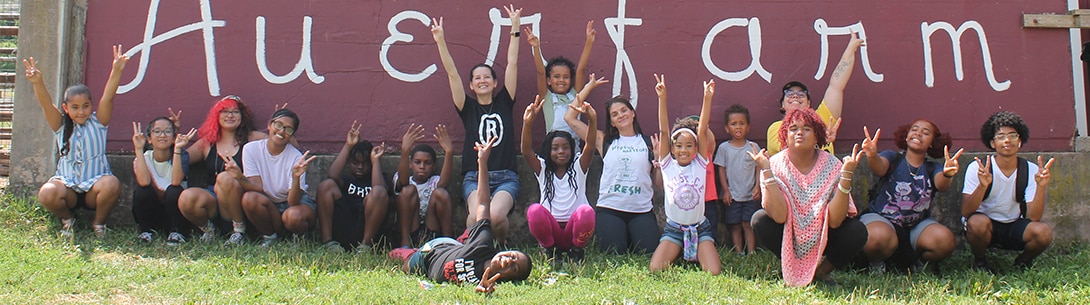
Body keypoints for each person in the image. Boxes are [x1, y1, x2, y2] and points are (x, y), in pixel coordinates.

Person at [388, 137, 532, 294]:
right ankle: (410, 252)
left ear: (509, 279)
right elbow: (483, 204)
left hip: (431, 272)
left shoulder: (486, 282)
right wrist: (482, 163)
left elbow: (477, 289)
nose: (508, 261)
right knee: (405, 266)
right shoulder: (482, 245)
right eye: (512, 256)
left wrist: (480, 292)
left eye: (514, 267)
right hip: (430, 254)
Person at [431, 6, 523, 244]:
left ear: (494, 82)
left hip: (505, 177)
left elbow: (512, 63)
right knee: (475, 217)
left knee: (494, 216)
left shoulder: (505, 101)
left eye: (487, 77)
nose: (482, 80)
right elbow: (452, 74)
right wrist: (440, 40)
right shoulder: (467, 107)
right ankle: (479, 252)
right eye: (477, 78)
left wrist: (514, 28)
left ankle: (498, 246)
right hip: (474, 176)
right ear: (471, 85)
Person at [749, 108, 868, 287]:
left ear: (816, 135)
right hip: (789, 233)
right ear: (785, 135)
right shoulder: (773, 164)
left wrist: (846, 176)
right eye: (793, 128)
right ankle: (792, 266)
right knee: (759, 220)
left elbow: (835, 221)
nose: (799, 133)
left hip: (825, 233)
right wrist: (766, 171)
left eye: (806, 128)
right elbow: (779, 216)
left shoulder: (832, 164)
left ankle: (821, 272)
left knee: (857, 231)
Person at [24, 45, 128, 238]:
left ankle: (98, 224)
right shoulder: (61, 125)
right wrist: (37, 83)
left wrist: (117, 70)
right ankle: (67, 219)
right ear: (66, 108)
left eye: (85, 106)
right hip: (67, 186)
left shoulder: (99, 123)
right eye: (75, 107)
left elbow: (109, 96)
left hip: (94, 186)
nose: (81, 112)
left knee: (112, 184)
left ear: (91, 106)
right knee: (46, 193)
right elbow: (46, 104)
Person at [564, 82, 659, 255]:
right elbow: (569, 118)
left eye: (624, 110)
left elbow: (658, 181)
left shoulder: (648, 143)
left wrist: (659, 161)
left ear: (633, 113)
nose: (620, 115)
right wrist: (588, 88)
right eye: (614, 115)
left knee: (649, 253)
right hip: (610, 210)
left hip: (641, 210)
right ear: (612, 122)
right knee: (614, 253)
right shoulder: (604, 141)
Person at [860, 120, 961, 273]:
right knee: (877, 237)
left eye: (926, 133)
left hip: (916, 226)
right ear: (906, 136)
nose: (918, 134)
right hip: (882, 219)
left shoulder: (932, 168)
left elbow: (942, 184)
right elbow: (879, 168)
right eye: (914, 129)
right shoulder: (893, 158)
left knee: (944, 241)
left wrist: (948, 174)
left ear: (932, 143)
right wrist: (872, 155)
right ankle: (876, 264)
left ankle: (919, 264)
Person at [962, 111, 1055, 273]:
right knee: (976, 223)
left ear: (1019, 141)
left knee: (1043, 232)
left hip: (1013, 225)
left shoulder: (1030, 170)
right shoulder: (978, 167)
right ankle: (980, 261)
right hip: (986, 225)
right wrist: (983, 186)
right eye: (1000, 136)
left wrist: (1041, 186)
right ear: (992, 143)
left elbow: (1033, 217)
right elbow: (966, 211)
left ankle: (1022, 262)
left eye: (1013, 135)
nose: (1007, 140)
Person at [522, 78, 602, 265]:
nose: (561, 152)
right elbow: (526, 151)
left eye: (565, 147)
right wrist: (527, 123)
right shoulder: (542, 169)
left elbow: (590, 145)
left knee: (587, 211)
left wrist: (592, 119)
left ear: (572, 150)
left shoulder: (578, 167)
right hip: (552, 232)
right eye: (555, 148)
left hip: (574, 231)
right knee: (534, 210)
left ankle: (576, 252)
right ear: (548, 151)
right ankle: (550, 252)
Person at [648, 75, 721, 275]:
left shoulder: (699, 162)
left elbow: (703, 128)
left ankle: (694, 250)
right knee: (656, 269)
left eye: (689, 146)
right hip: (674, 230)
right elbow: (664, 131)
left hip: (700, 229)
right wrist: (662, 97)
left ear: (697, 148)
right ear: (671, 148)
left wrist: (707, 97)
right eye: (679, 146)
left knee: (713, 272)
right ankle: (678, 248)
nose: (683, 150)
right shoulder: (667, 164)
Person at [174, 96, 269, 245]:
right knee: (187, 197)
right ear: (216, 116)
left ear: (242, 117)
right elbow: (182, 161)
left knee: (226, 178)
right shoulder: (207, 143)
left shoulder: (254, 138)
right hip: (214, 197)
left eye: (235, 112)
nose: (230, 115)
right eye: (224, 111)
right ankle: (211, 231)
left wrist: (279, 125)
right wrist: (177, 145)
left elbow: (282, 145)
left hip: (241, 195)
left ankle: (239, 232)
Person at [765, 32, 864, 155]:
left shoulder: (822, 119)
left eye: (801, 94)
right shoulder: (776, 128)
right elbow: (794, 151)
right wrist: (821, 137)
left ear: (808, 104)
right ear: (782, 105)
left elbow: (836, 86)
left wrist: (851, 49)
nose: (795, 95)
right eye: (789, 94)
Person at [230, 108, 317, 246]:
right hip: (268, 202)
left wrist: (295, 177)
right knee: (249, 198)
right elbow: (256, 187)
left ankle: (299, 237)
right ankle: (270, 237)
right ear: (269, 125)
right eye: (278, 125)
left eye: (288, 130)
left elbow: (293, 201)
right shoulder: (251, 149)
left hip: (293, 203)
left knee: (293, 216)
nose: (281, 131)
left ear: (292, 135)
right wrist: (239, 176)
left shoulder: (296, 157)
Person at [316, 121, 389, 252]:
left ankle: (365, 247)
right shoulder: (346, 180)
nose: (360, 167)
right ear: (349, 163)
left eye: (365, 163)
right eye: (356, 163)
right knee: (326, 185)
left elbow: (380, 191)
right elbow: (332, 175)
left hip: (367, 227)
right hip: (345, 223)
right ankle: (328, 242)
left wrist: (375, 160)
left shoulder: (379, 178)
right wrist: (348, 146)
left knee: (378, 192)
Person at [524, 20, 595, 145]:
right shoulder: (546, 97)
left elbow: (581, 69)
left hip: (575, 150)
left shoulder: (576, 95)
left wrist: (589, 42)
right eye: (556, 76)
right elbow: (540, 72)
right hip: (553, 150)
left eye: (566, 77)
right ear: (549, 81)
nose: (561, 80)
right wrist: (535, 47)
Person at [131, 117, 196, 245]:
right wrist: (138, 149)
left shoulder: (181, 155)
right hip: (154, 211)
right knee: (141, 190)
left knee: (174, 190)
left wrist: (177, 148)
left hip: (174, 213)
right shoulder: (145, 157)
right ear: (149, 139)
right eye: (157, 131)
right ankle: (146, 231)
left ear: (173, 137)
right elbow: (144, 182)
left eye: (167, 131)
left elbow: (176, 181)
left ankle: (176, 233)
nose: (162, 135)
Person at [393, 124, 455, 248]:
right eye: (417, 162)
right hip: (410, 227)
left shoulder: (434, 180)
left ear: (434, 166)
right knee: (408, 190)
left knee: (440, 193)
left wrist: (449, 152)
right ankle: (405, 243)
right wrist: (405, 150)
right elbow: (403, 183)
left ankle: (449, 242)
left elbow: (443, 184)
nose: (422, 166)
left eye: (427, 163)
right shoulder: (403, 178)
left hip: (430, 228)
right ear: (410, 164)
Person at [714, 104, 761, 256]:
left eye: (742, 123)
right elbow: (721, 169)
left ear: (748, 126)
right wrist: (725, 191)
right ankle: (739, 252)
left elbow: (758, 168)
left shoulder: (753, 146)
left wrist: (758, 187)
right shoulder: (724, 148)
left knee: (748, 224)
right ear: (727, 128)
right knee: (735, 225)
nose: (738, 127)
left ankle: (751, 252)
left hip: (750, 194)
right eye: (733, 124)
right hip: (732, 195)